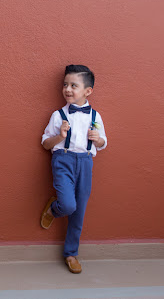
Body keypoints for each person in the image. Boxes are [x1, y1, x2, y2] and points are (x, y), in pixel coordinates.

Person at [39, 64, 107, 274]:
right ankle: (55, 208)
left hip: (85, 162)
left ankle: (71, 253)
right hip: (63, 160)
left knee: (79, 211)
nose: (68, 89)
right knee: (69, 206)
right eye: (65, 84)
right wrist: (60, 136)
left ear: (88, 91)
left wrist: (98, 140)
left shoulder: (95, 116)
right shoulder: (58, 115)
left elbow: (103, 142)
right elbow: (45, 144)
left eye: (74, 85)